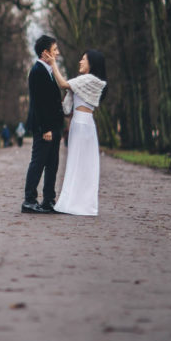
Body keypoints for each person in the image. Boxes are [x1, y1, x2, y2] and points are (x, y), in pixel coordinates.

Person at [50, 50, 107, 216]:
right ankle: (75, 202)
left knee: (80, 164)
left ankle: (80, 204)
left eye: (83, 59)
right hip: (78, 124)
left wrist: (53, 63)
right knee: (76, 164)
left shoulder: (90, 79)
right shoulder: (84, 81)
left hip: (83, 125)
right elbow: (67, 107)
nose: (80, 62)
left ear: (92, 63)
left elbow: (63, 84)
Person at [22, 35, 64, 214]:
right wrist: (46, 128)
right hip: (44, 127)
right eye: (55, 50)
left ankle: (48, 200)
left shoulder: (49, 71)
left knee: (52, 164)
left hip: (55, 126)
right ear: (45, 52)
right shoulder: (37, 71)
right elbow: (39, 103)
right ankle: (29, 201)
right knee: (38, 162)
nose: (58, 52)